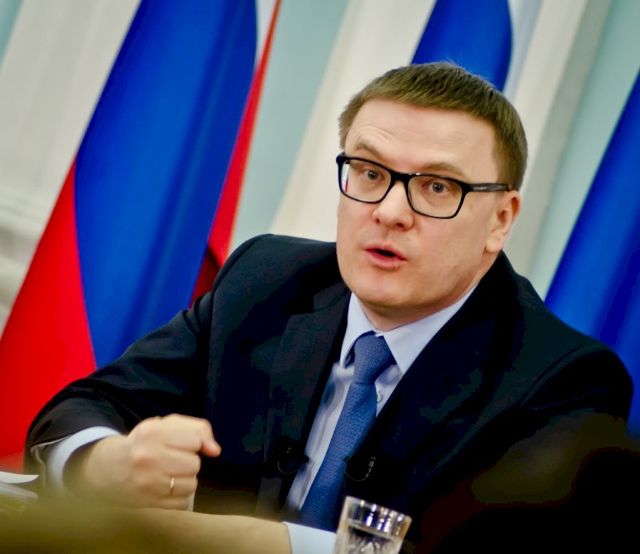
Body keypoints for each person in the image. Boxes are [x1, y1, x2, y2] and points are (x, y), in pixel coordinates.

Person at [25, 62, 632, 552]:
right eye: (369, 172)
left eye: (436, 187)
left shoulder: (561, 382)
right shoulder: (266, 279)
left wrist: (270, 545)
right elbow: (83, 407)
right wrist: (103, 464)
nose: (389, 212)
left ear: (500, 219)